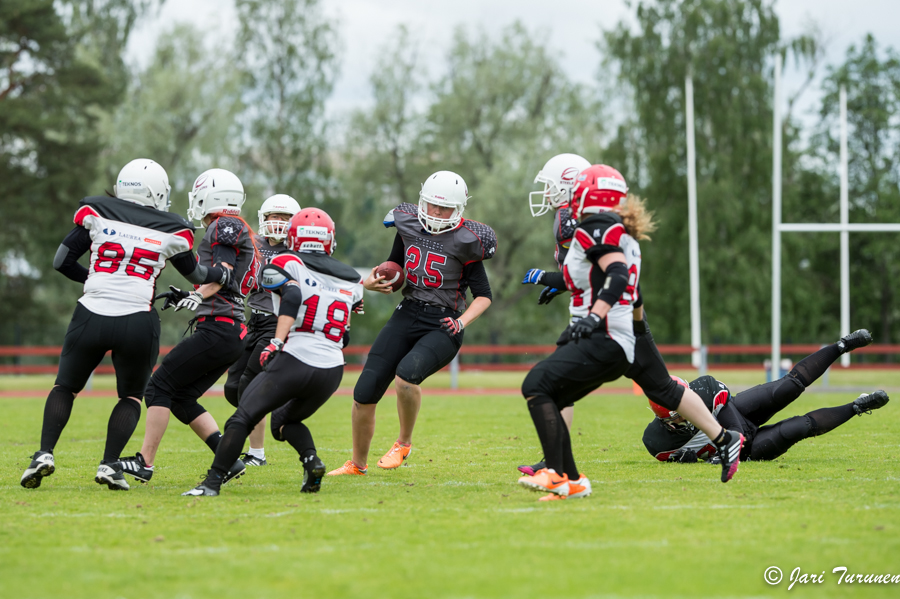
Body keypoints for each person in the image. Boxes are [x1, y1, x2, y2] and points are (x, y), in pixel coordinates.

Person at [516, 165, 744, 501]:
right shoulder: (622, 233)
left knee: (536, 385)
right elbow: (629, 289)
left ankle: (558, 473)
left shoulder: (593, 226)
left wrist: (594, 317)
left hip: (604, 333)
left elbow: (618, 275)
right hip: (621, 332)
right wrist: (551, 281)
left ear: (588, 193)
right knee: (560, 393)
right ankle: (571, 479)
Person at [20, 159, 232, 491]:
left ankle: (43, 455)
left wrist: (95, 281)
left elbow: (61, 261)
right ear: (157, 192)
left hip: (91, 311)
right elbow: (197, 275)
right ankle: (108, 464)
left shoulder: (98, 212)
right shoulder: (171, 228)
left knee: (65, 388)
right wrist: (223, 274)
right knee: (132, 396)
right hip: (137, 318)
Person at [183, 208, 364, 496]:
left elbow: (292, 295)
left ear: (294, 236)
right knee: (284, 422)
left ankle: (211, 483)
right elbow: (346, 330)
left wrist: (277, 342)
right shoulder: (351, 278)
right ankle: (312, 462)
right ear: (330, 240)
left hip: (296, 355)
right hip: (332, 368)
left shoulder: (285, 261)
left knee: (241, 418)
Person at [328, 170, 497, 476]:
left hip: (444, 323)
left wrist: (462, 322)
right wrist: (372, 282)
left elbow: (484, 296)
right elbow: (393, 269)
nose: (435, 212)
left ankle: (403, 443)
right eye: (431, 204)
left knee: (406, 377)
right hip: (407, 311)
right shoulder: (406, 225)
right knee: (364, 390)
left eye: (444, 207)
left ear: (458, 209)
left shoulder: (467, 241)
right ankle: (357, 463)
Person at [118, 168, 259, 485]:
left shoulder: (225, 224)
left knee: (157, 386)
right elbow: (228, 278)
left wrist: (197, 293)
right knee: (180, 396)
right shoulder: (236, 226)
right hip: (230, 328)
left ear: (212, 196)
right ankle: (229, 459)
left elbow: (221, 273)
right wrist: (192, 294)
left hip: (220, 327)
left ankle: (145, 463)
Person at [642, 331, 887, 462]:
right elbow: (676, 457)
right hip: (748, 450)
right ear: (668, 421)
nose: (688, 406)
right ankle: (857, 406)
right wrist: (686, 460)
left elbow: (734, 428)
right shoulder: (657, 444)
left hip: (738, 413)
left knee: (788, 388)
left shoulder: (703, 390)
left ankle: (842, 346)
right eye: (681, 410)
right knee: (799, 427)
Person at [519, 152, 591, 475]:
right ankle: (554, 460)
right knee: (660, 385)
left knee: (661, 387)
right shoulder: (575, 215)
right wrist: (559, 285)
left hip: (601, 315)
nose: (546, 193)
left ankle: (719, 432)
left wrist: (547, 278)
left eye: (551, 186)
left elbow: (581, 274)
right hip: (596, 311)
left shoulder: (569, 220)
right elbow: (583, 271)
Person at [222, 194, 300, 467]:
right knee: (232, 388)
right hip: (252, 320)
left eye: (285, 218)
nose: (278, 222)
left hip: (277, 322)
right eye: (273, 216)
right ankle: (277, 404)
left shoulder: (299, 251)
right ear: (263, 218)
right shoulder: (252, 244)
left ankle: (256, 453)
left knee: (249, 385)